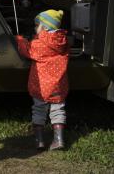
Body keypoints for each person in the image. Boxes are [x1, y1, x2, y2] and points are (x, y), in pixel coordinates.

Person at [15, 10, 69, 150]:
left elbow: (27, 51)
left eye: (36, 25)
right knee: (58, 110)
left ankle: (39, 140)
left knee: (39, 110)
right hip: (58, 86)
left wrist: (21, 40)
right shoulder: (63, 41)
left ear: (44, 27)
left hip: (41, 86)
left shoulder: (39, 44)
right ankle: (59, 140)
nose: (35, 28)